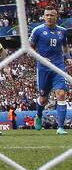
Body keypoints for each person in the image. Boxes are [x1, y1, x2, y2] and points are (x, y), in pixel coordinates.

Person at [29, 7, 69, 135]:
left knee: (61, 94)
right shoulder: (38, 30)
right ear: (44, 17)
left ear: (56, 17)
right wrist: (40, 58)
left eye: (52, 15)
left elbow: (65, 47)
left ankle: (61, 127)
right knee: (43, 100)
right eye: (47, 15)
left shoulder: (62, 31)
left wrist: (68, 58)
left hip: (58, 66)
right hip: (43, 68)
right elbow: (29, 49)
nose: (49, 17)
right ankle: (39, 115)